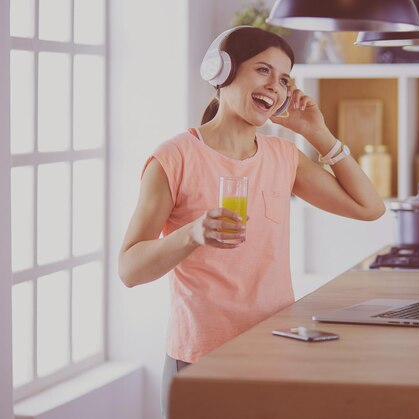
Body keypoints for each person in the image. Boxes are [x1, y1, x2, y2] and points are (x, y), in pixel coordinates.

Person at [118, 26, 385, 418]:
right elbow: (129, 269)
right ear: (222, 73)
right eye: (263, 71)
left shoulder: (284, 156)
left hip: (274, 349)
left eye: (283, 79)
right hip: (202, 360)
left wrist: (319, 133)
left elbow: (369, 207)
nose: (274, 87)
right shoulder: (174, 157)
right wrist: (191, 234)